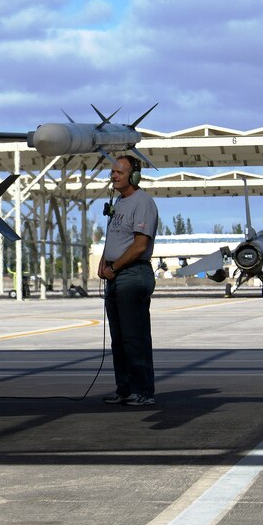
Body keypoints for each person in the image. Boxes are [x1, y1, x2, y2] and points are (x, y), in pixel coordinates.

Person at [98, 155, 159, 406]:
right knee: (119, 338)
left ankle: (142, 391)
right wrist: (103, 262)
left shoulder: (143, 202)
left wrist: (114, 266)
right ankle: (124, 388)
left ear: (134, 176)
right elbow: (113, 238)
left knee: (135, 337)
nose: (113, 176)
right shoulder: (119, 202)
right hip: (115, 276)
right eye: (112, 172)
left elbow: (139, 245)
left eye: (118, 172)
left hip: (133, 274)